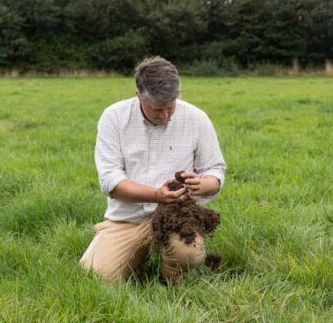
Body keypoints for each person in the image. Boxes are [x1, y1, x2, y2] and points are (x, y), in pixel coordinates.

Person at [80, 56, 226, 282]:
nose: (166, 115)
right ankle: (128, 245)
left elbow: (215, 171)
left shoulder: (197, 119)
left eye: (171, 107)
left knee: (186, 254)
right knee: (97, 276)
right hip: (128, 218)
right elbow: (111, 181)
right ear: (138, 96)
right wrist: (157, 195)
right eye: (158, 110)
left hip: (177, 216)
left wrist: (202, 184)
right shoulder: (114, 118)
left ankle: (168, 278)